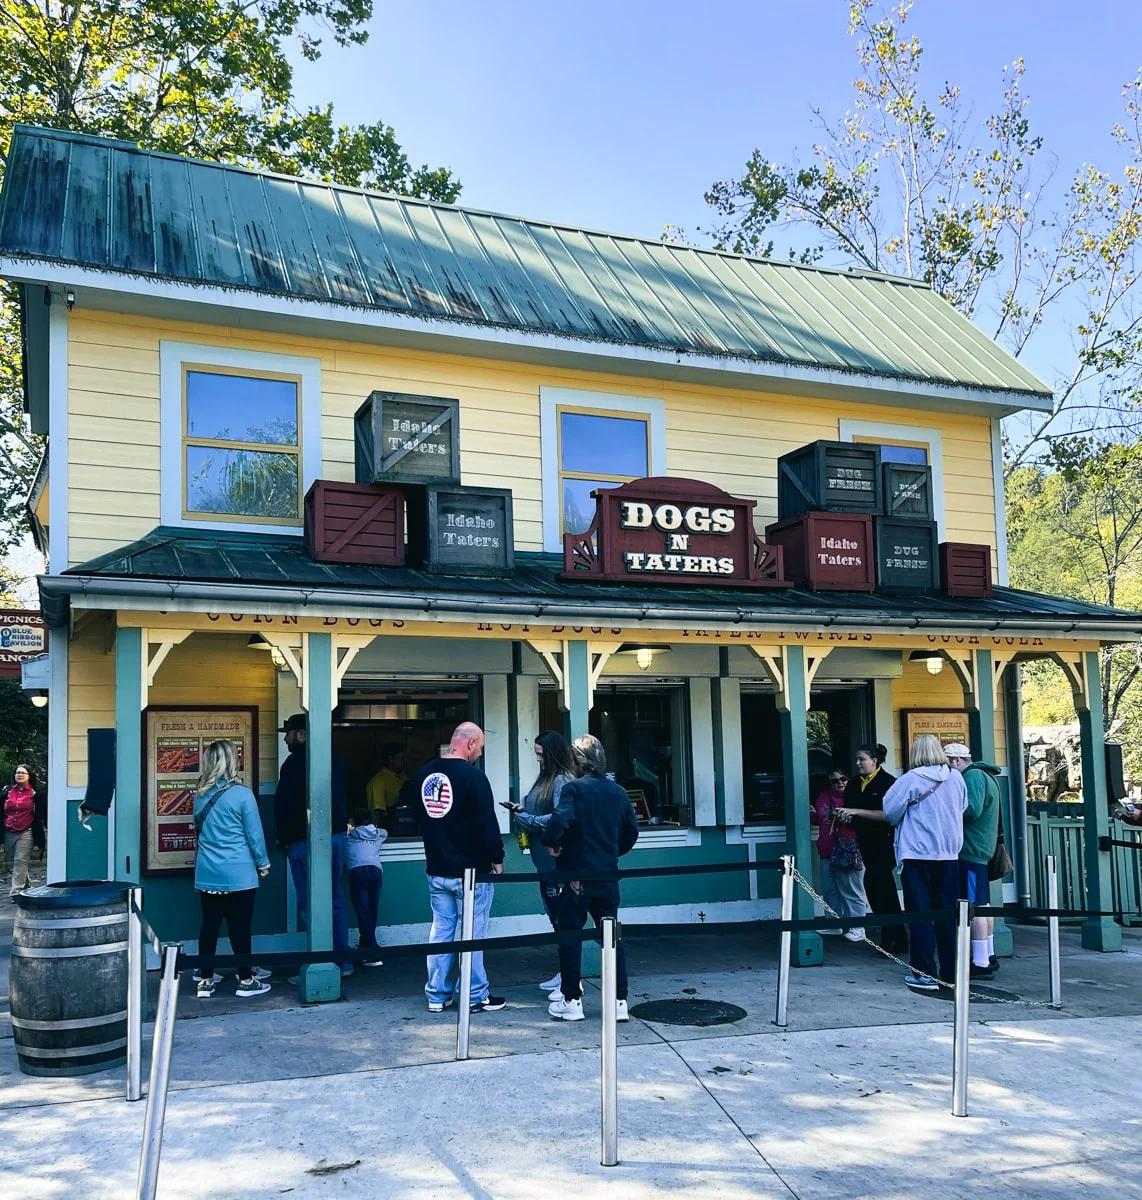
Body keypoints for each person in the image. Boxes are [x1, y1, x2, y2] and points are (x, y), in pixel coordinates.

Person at [541, 734, 640, 1023]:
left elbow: (558, 821)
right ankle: (619, 1000)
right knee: (612, 939)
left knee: (570, 937)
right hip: (608, 875)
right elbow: (630, 833)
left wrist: (552, 843)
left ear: (578, 761)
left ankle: (571, 999)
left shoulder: (573, 790)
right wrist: (612, 853)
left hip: (576, 877)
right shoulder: (619, 793)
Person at [412, 722, 506, 1014]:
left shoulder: (424, 773)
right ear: (469, 743)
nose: (478, 753)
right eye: (479, 747)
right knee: (472, 934)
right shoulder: (473, 777)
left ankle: (436, 995)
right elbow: (485, 822)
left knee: (441, 930)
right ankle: (474, 994)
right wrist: (497, 857)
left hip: (437, 867)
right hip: (472, 872)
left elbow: (419, 814)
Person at [882, 735, 968, 992]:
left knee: (920, 914)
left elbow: (890, 812)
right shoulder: (956, 778)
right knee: (947, 915)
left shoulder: (910, 779)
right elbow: (963, 807)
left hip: (917, 853)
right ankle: (951, 973)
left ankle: (924, 972)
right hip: (949, 854)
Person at [273, 713, 353, 976]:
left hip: (303, 841)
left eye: (289, 732)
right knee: (335, 899)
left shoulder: (295, 763)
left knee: (310, 901)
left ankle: (321, 965)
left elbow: (286, 806)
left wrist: (284, 839)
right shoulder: (337, 759)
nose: (285, 737)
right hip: (337, 836)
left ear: (302, 734)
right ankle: (342, 961)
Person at [193, 741, 271, 998]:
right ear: (231, 761)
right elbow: (254, 835)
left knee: (208, 926)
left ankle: (205, 980)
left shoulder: (200, 794)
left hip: (207, 872)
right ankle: (246, 980)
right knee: (240, 927)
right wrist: (263, 863)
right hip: (239, 873)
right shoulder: (243, 794)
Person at [505, 731, 576, 996]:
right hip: (544, 861)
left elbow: (559, 818)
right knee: (555, 917)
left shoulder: (562, 780)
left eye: (541, 754)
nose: (538, 760)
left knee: (562, 918)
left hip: (555, 861)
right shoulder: (547, 779)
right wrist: (522, 812)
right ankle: (565, 972)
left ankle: (571, 978)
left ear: (553, 753)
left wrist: (528, 820)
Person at [835, 744, 903, 954]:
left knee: (878, 881)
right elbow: (852, 811)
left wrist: (856, 812)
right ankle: (891, 934)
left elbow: (890, 814)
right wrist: (846, 816)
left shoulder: (888, 783)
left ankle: (895, 936)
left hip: (886, 840)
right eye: (857, 759)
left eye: (862, 759)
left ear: (874, 760)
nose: (858, 763)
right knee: (876, 886)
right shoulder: (855, 784)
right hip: (865, 841)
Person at [946, 743, 1002, 979]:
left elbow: (972, 810)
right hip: (982, 849)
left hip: (971, 850)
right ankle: (987, 953)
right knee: (983, 904)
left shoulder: (973, 777)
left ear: (956, 761)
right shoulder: (986, 775)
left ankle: (979, 962)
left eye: (947, 763)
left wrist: (947, 810)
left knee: (973, 907)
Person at [811, 768, 867, 942]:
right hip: (827, 849)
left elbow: (863, 821)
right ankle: (833, 923)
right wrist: (812, 814)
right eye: (835, 780)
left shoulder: (855, 797)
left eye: (843, 779)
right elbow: (819, 820)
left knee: (851, 889)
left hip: (848, 848)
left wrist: (849, 817)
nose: (840, 782)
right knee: (829, 890)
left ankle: (858, 926)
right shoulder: (822, 797)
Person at [346, 809, 388, 966]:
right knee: (371, 909)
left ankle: (372, 951)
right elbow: (385, 833)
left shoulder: (349, 835)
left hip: (357, 871)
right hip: (375, 871)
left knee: (362, 910)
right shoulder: (378, 835)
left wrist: (350, 827)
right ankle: (366, 945)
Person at [3, 764, 37, 897]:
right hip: (9, 831)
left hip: (26, 831)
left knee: (20, 861)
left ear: (29, 776)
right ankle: (28, 887)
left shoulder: (34, 794)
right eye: (17, 773)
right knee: (15, 862)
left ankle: (16, 893)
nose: (20, 775)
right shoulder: (7, 792)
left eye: (23, 773)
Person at [366, 745, 408, 824]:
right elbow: (377, 815)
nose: (405, 761)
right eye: (401, 758)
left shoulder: (403, 778)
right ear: (391, 759)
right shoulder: (378, 782)